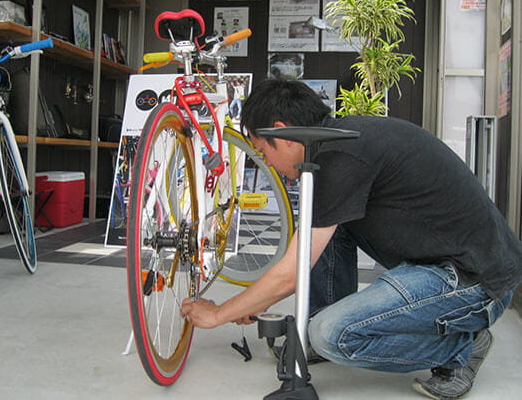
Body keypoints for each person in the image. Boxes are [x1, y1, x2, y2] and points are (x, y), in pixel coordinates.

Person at [180, 79, 522, 400]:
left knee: (332, 335)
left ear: (282, 134)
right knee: (325, 224)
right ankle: (314, 329)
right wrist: (256, 301)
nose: (265, 163)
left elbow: (290, 274)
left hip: (474, 281)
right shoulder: (337, 143)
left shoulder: (342, 158)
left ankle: (461, 348)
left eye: (261, 150)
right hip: (443, 264)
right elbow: (305, 255)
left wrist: (219, 314)